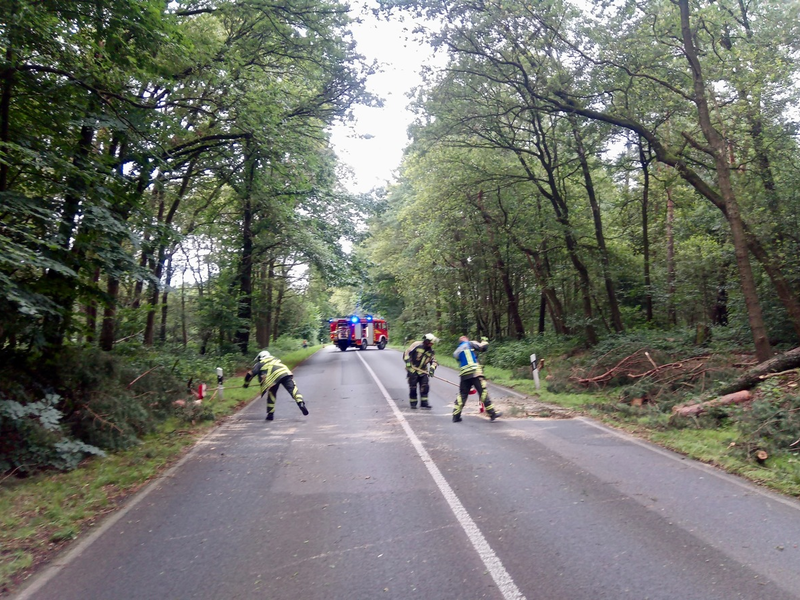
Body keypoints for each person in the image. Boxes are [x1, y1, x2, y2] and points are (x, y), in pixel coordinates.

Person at [243, 350, 308, 421]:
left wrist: (246, 384)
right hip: (285, 373)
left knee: (272, 394)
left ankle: (270, 414)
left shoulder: (259, 363)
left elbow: (249, 374)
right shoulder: (275, 359)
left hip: (272, 379)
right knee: (293, 389)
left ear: (260, 358)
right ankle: (300, 402)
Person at [452, 335, 501, 422]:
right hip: (475, 373)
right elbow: (483, 347)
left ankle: (456, 415)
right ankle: (492, 414)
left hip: (464, 374)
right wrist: (484, 341)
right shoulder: (470, 343)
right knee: (483, 392)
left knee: (462, 395)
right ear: (465, 339)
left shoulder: (456, 352)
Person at [403, 333, 439, 409]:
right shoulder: (416, 345)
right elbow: (406, 353)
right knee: (413, 387)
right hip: (413, 369)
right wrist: (408, 362)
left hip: (423, 371)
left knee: (425, 387)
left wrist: (432, 369)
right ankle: (413, 403)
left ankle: (424, 403)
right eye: (431, 343)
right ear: (427, 341)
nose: (432, 344)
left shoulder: (431, 351)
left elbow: (434, 361)